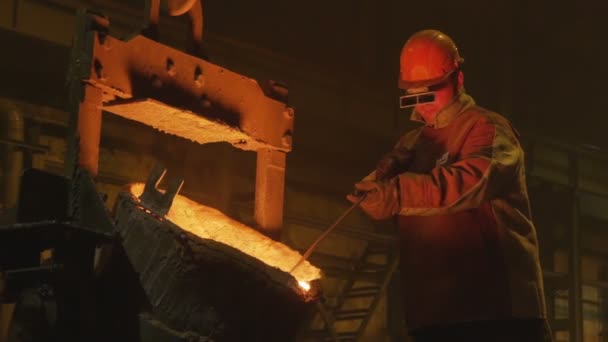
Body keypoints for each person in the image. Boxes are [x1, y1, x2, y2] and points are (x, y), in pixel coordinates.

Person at [347, 29, 552, 341]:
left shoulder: (487, 127)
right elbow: (402, 208)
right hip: (433, 316)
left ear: (458, 80)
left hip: (497, 314)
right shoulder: (412, 143)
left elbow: (472, 180)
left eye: (431, 91)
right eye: (414, 94)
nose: (423, 103)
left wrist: (398, 192)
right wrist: (378, 187)